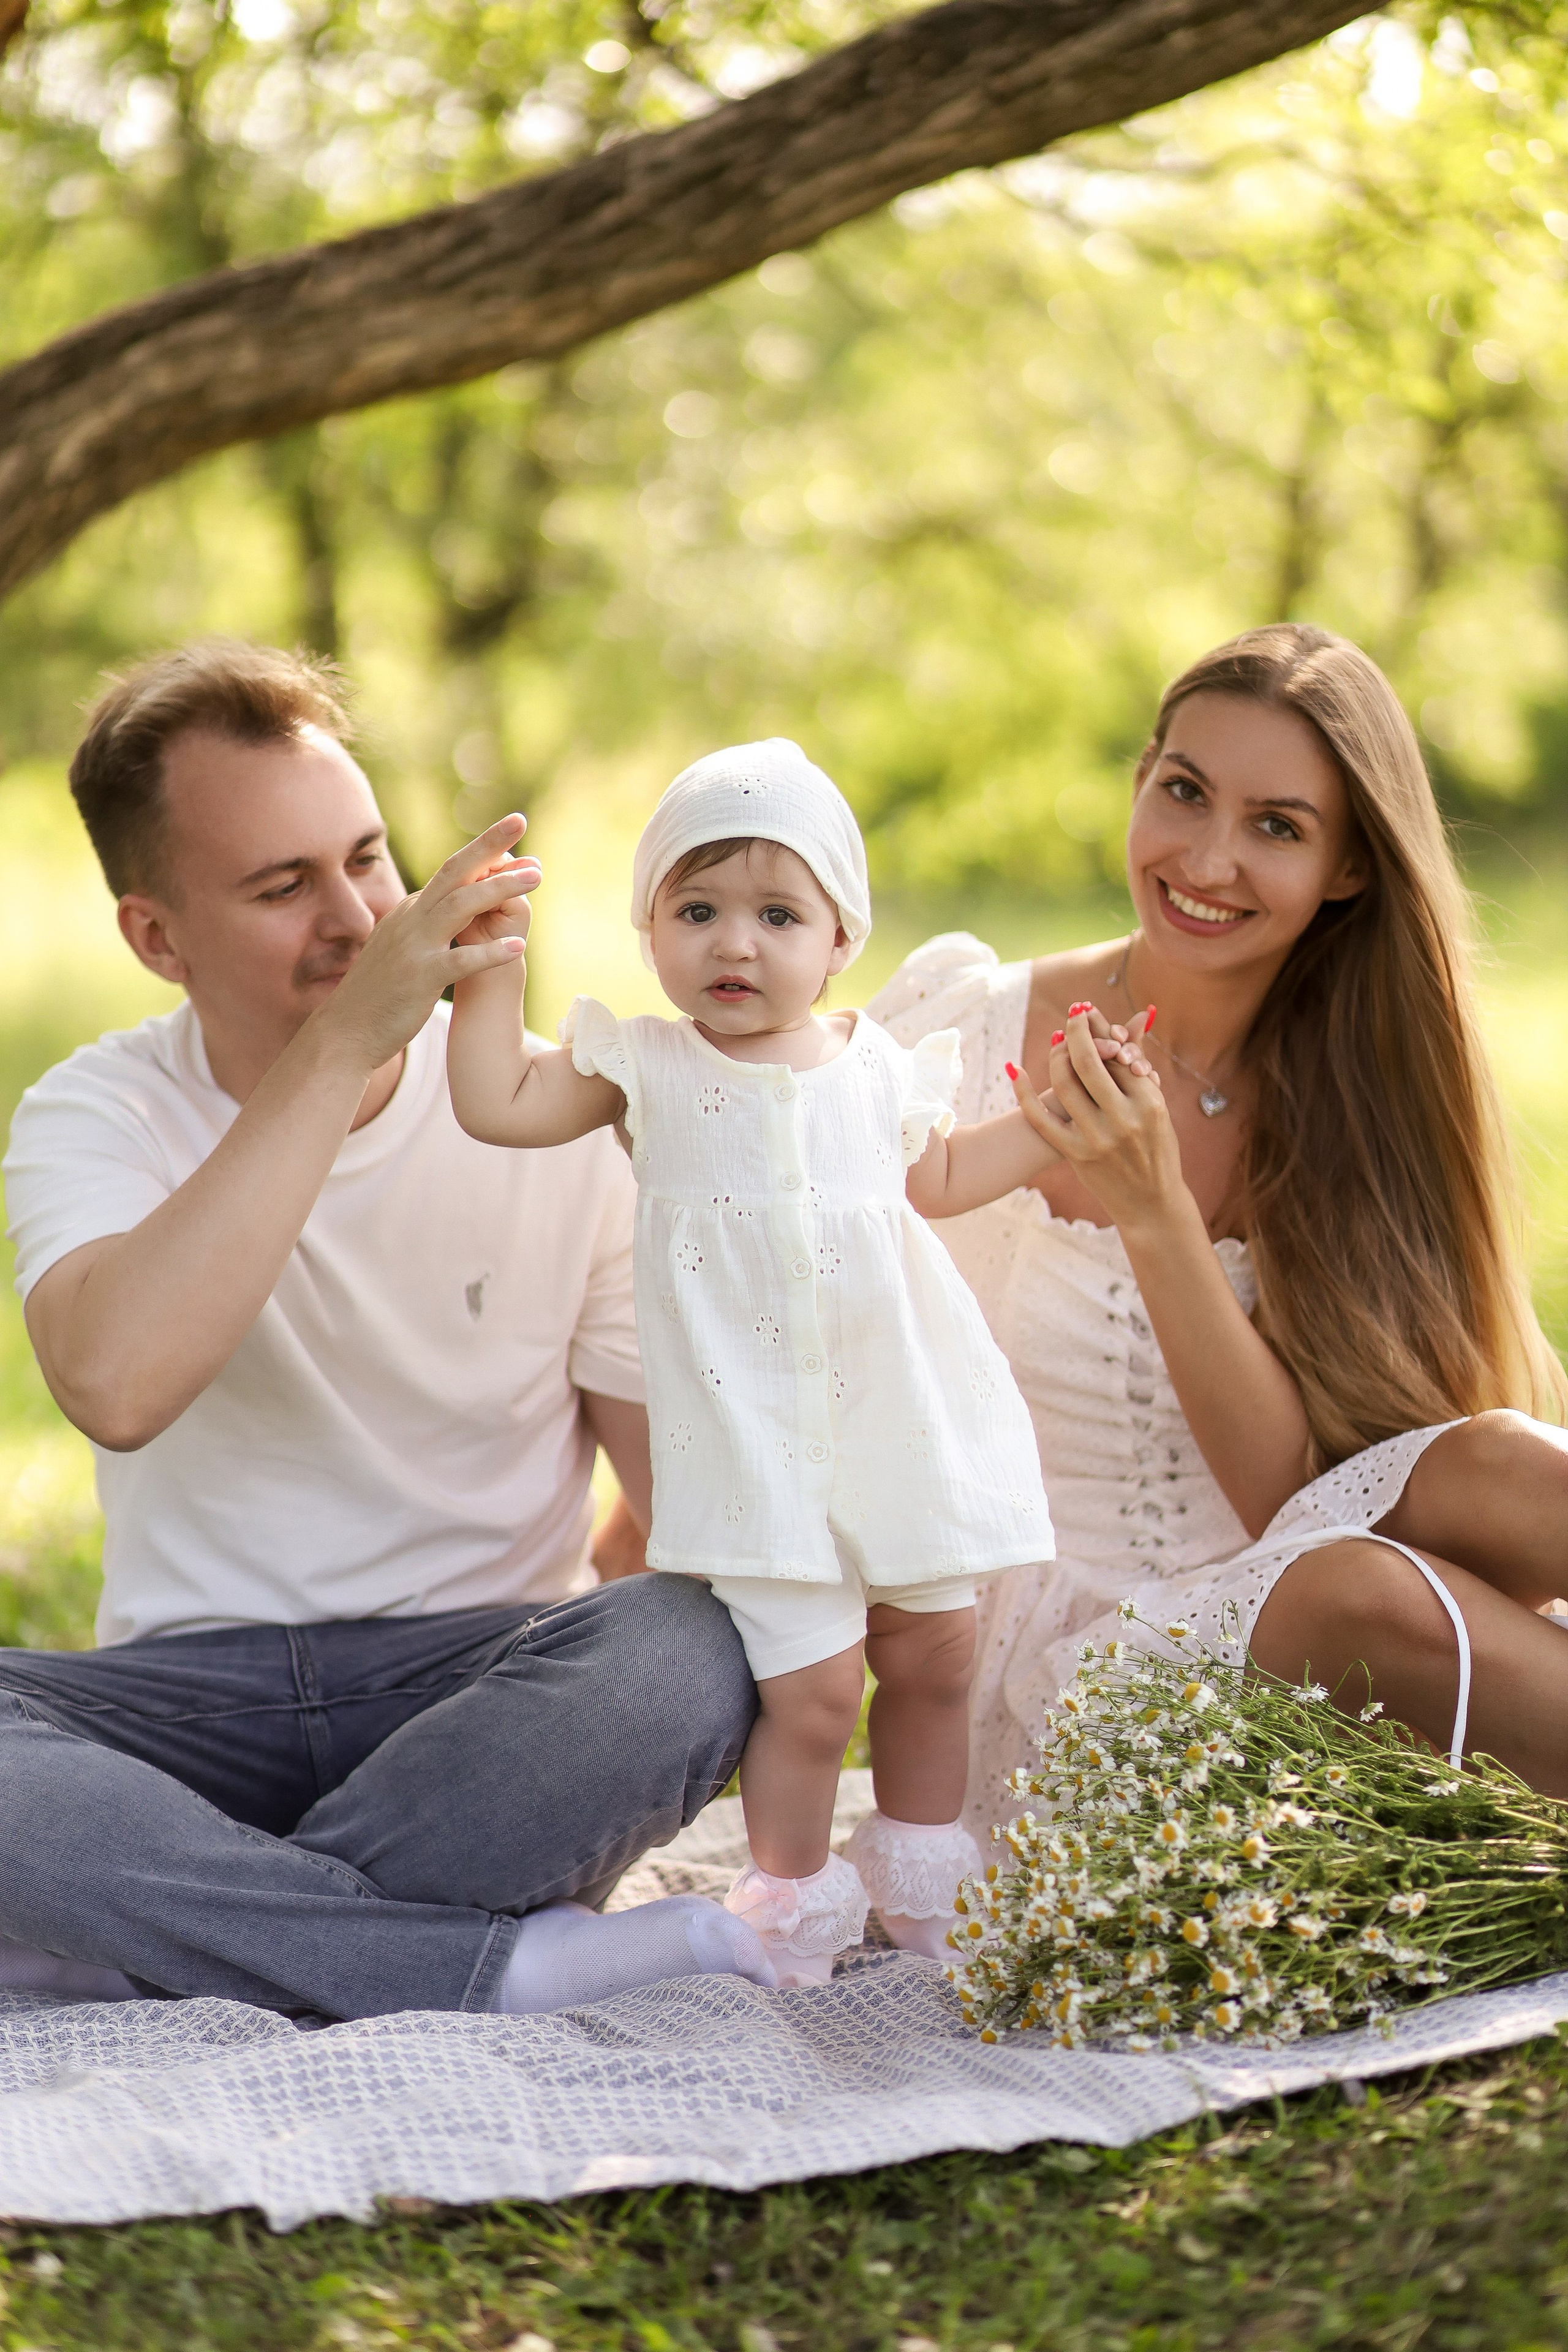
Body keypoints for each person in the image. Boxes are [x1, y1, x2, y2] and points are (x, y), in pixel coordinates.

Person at [0, 640, 776, 2019]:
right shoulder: (93, 1113)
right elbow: (114, 1384)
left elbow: (683, 1517)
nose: (360, 919)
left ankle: (145, 1937)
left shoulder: (549, 1112)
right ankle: (471, 1962)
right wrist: (342, 1051)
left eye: (367, 859)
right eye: (281, 885)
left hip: (468, 1683)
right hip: (186, 1706)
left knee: (689, 1648)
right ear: (156, 938)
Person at [868, 624, 1568, 1835]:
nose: (1206, 858)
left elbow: (1297, 1498)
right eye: (1182, 792)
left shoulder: (1362, 1086)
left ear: (1347, 868)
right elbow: (782, 1297)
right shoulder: (958, 1036)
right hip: (1063, 1679)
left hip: (1289, 1587)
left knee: (1504, 1459)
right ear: (1139, 780)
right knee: (1349, 1588)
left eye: (1275, 826)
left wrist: (1153, 1205)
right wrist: (1150, 1210)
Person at [443, 739, 1102, 1982]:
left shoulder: (870, 1063)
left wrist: (1053, 1119)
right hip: (753, 1447)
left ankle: (917, 1877)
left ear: (839, 936)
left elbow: (946, 1174)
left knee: (933, 1653)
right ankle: (788, 1909)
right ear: (649, 934)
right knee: (806, 1689)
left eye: (775, 913)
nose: (733, 944)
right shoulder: (647, 1065)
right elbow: (496, 1102)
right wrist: (486, 971)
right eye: (695, 911)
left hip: (899, 1418)